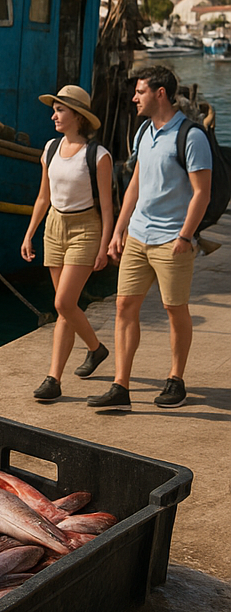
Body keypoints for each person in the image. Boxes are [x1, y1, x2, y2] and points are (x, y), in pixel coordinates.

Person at [89, 66, 212, 409]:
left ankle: (175, 379)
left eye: (140, 91)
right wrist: (118, 231)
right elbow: (135, 186)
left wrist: (186, 236)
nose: (134, 98)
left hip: (173, 240)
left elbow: (202, 192)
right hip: (139, 237)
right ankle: (120, 385)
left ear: (160, 93)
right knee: (125, 305)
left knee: (175, 310)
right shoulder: (144, 131)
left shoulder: (191, 136)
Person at [21, 86, 114, 401]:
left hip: (85, 229)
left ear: (78, 116)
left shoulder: (98, 156)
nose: (54, 115)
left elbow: (107, 205)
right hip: (54, 227)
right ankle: (90, 353)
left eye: (60, 109)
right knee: (65, 306)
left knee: (63, 303)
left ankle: (53, 377)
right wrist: (30, 232)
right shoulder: (49, 149)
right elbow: (43, 196)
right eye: (55, 109)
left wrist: (104, 246)